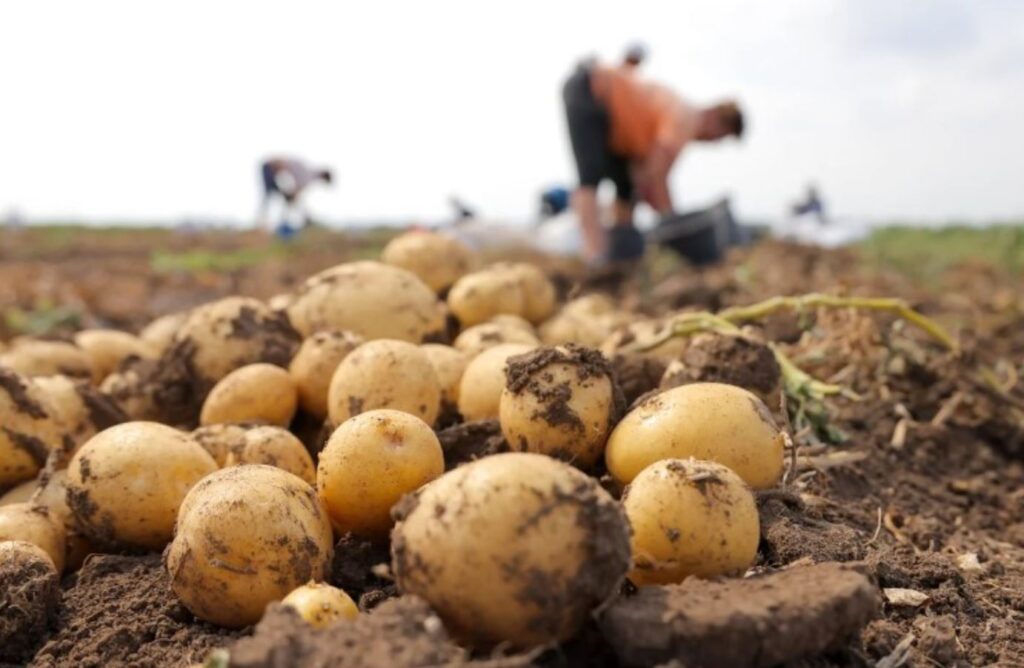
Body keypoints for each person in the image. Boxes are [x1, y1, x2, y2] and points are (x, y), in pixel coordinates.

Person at [562, 59, 744, 263]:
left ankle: (619, 257)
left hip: (618, 130)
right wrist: (673, 223)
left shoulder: (673, 122)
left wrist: (656, 202)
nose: (714, 143)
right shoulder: (684, 119)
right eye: (719, 136)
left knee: (626, 189)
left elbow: (645, 175)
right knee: (590, 178)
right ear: (715, 118)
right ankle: (594, 258)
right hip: (593, 90)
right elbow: (656, 175)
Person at [257, 157, 333, 232]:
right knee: (269, 195)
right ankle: (261, 224)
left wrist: (291, 197)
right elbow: (296, 191)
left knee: (280, 197)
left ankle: (274, 223)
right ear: (323, 177)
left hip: (274, 171)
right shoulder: (307, 175)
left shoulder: (307, 173)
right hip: (269, 168)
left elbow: (296, 192)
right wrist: (291, 197)